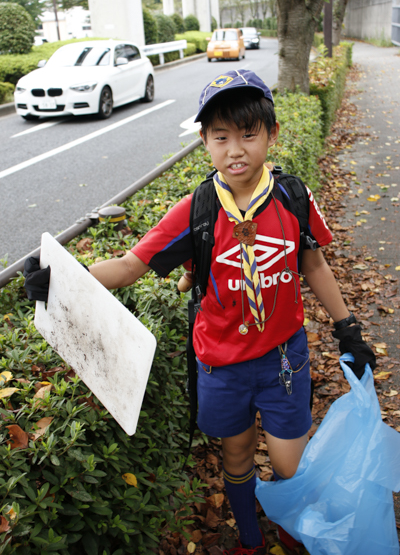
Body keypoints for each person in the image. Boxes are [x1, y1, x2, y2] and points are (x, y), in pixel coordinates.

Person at [24, 69, 376, 555]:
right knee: (236, 458)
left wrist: (347, 328)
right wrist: (63, 274)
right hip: (222, 366)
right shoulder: (196, 211)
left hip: (283, 361)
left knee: (290, 463)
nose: (235, 149)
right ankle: (251, 539)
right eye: (220, 137)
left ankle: (291, 532)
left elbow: (312, 261)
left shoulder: (293, 197)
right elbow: (131, 265)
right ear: (205, 143)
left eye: (248, 134)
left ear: (271, 134)